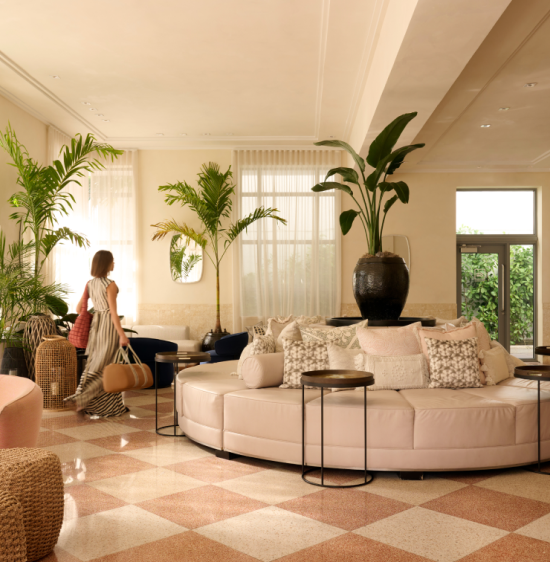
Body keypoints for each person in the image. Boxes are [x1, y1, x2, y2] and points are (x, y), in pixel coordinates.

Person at [66, 250, 129, 417]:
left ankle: (85, 398)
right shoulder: (111, 284)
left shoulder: (90, 284)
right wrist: (122, 334)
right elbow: (114, 313)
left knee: (94, 364)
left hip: (96, 326)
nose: (114, 263)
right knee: (109, 365)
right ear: (106, 264)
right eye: (112, 261)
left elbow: (79, 309)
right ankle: (82, 398)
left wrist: (97, 309)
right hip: (108, 325)